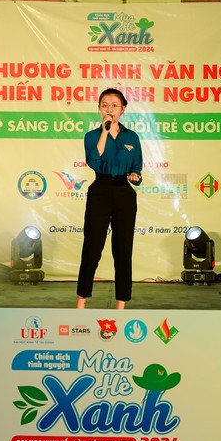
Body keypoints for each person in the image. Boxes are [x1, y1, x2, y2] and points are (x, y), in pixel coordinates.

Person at [76, 88, 143, 309]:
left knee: (123, 250)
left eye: (114, 105)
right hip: (100, 190)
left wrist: (135, 176)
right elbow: (94, 161)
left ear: (123, 109)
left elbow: (137, 166)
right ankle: (81, 301)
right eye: (105, 105)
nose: (109, 109)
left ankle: (121, 304)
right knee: (92, 247)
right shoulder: (92, 136)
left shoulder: (131, 137)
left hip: (124, 192)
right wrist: (105, 131)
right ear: (99, 109)